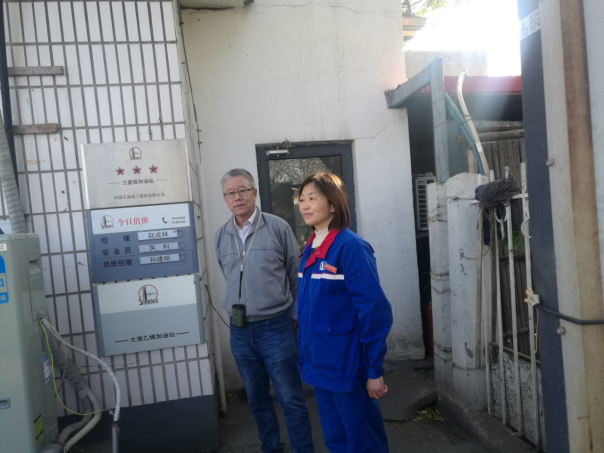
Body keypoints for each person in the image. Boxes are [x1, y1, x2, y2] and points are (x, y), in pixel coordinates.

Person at [214, 168, 314, 453]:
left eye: (242, 190)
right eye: (230, 193)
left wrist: (296, 319)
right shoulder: (221, 235)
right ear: (225, 199)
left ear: (254, 193)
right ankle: (271, 448)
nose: (237, 197)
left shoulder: (277, 227)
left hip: (275, 328)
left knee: (290, 397)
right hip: (240, 331)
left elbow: (295, 275)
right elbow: (227, 274)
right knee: (256, 399)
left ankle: (303, 449)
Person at [297, 172, 393, 453]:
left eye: (312, 198)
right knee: (336, 440)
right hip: (320, 365)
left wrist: (374, 370)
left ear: (333, 204)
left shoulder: (350, 247)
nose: (304, 205)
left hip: (347, 366)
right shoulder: (311, 247)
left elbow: (374, 311)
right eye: (301, 199)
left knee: (363, 442)